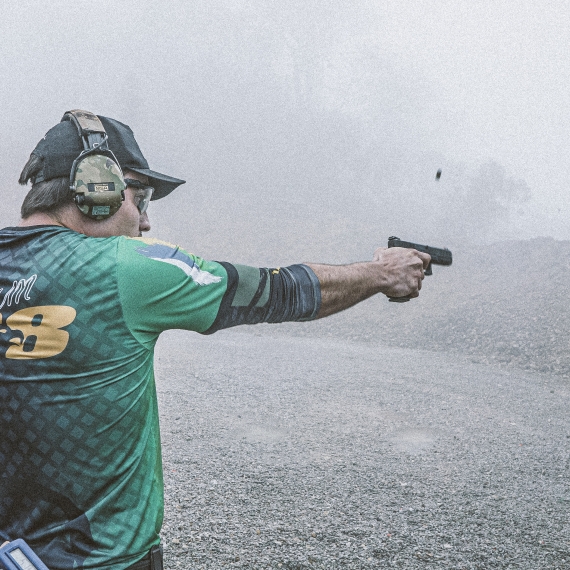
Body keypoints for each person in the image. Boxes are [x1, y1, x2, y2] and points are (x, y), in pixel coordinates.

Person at [0, 110, 430, 570]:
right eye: (140, 198)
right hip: (107, 560)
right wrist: (382, 273)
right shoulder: (124, 267)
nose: (144, 222)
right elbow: (275, 291)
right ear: (97, 185)